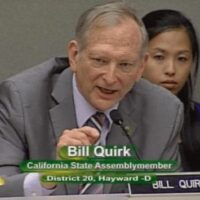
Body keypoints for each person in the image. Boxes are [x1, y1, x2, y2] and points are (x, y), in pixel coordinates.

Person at [0, 2, 183, 197]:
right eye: (100, 61)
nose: (111, 77)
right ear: (74, 55)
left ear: (141, 67)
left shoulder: (164, 111)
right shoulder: (22, 99)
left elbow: (170, 194)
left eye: (125, 64)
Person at [142, 9, 200, 171]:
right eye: (159, 57)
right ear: (138, 58)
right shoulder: (113, 119)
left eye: (182, 59)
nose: (171, 70)